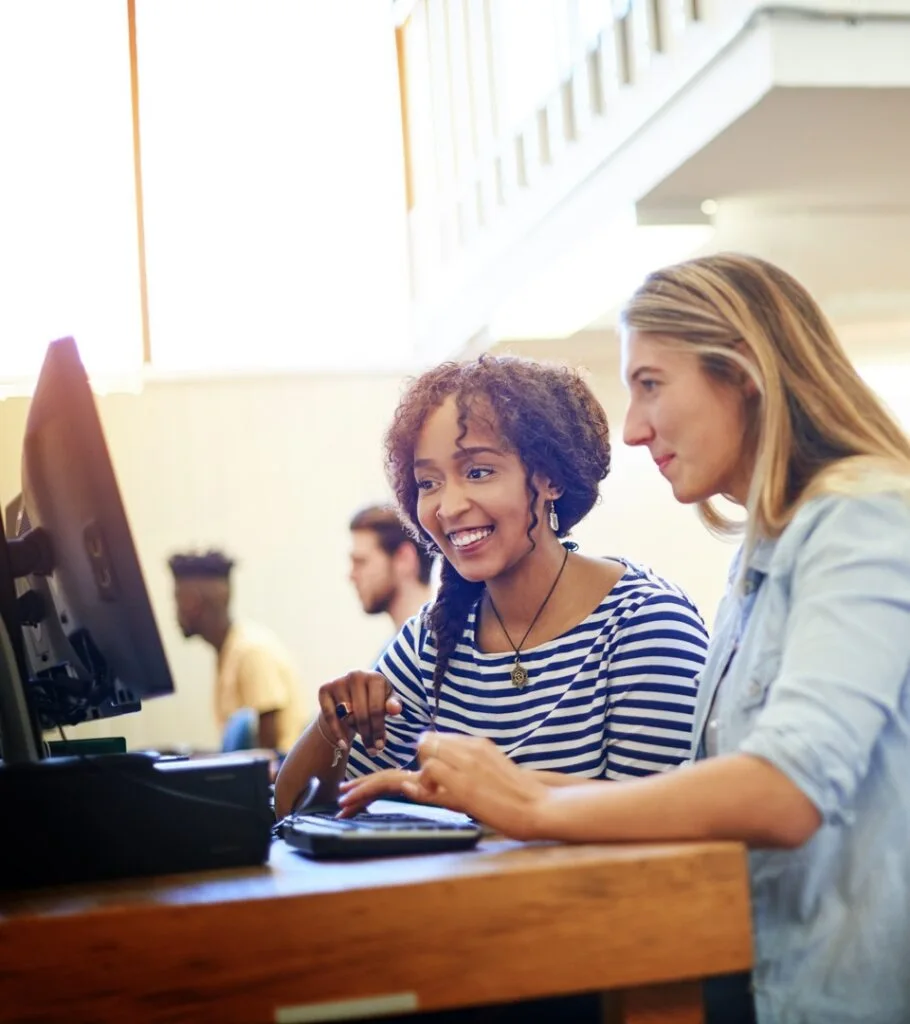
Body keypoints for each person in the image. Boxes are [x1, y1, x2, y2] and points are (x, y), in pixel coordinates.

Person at [382, 254, 910, 1024]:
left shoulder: (862, 518)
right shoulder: (763, 556)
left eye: (650, 384)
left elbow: (785, 791)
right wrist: (491, 794)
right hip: (765, 980)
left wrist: (532, 810)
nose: (632, 429)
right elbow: (700, 797)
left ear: (742, 373)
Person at [275, 355, 708, 819]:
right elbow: (290, 810)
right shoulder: (434, 638)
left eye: (478, 472)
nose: (449, 506)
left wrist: (449, 789)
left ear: (550, 478)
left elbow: (665, 822)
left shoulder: (647, 625)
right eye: (428, 482)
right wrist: (332, 726)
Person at [168, 549, 305, 756]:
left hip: (275, 783)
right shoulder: (229, 651)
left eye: (176, 600)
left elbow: (266, 757)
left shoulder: (251, 651)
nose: (175, 612)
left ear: (191, 602)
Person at [348, 503, 434, 634]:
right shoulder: (396, 651)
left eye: (361, 562)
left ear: (404, 559)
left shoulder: (442, 648)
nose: (352, 576)